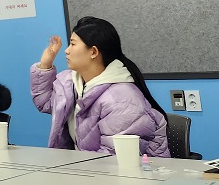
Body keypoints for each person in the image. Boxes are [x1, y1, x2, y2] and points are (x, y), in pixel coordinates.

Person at [31, 16, 168, 156]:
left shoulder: (121, 99)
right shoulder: (73, 83)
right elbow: (46, 103)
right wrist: (45, 65)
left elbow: (113, 158)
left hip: (121, 168)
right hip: (87, 165)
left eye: (73, 44)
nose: (66, 50)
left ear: (93, 52)